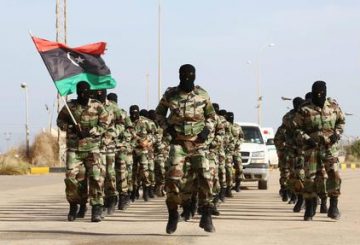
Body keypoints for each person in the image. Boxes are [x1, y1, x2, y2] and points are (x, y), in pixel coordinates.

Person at [155, 64, 216, 234]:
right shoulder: (170, 95)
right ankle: (173, 213)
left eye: (190, 74)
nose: (187, 77)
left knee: (205, 176)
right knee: (173, 180)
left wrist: (206, 129)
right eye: (183, 74)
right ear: (179, 75)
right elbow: (158, 114)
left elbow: (211, 116)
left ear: (195, 76)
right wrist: (168, 128)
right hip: (178, 144)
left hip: (198, 144)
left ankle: (206, 214)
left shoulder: (202, 94)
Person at [57, 81, 109, 222]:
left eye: (85, 92)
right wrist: (70, 127)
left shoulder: (97, 106)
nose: (83, 95)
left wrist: (92, 131)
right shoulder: (70, 107)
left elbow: (105, 124)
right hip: (75, 149)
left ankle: (97, 207)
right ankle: (75, 205)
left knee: (96, 178)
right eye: (80, 93)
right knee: (72, 179)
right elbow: (60, 122)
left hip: (93, 149)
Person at [293, 81, 345, 221]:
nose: (319, 95)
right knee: (310, 178)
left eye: (322, 92)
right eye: (316, 92)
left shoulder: (333, 106)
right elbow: (296, 128)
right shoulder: (305, 109)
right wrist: (306, 138)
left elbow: (341, 122)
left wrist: (337, 134)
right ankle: (310, 206)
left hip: (330, 148)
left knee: (334, 174)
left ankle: (333, 206)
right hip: (311, 149)